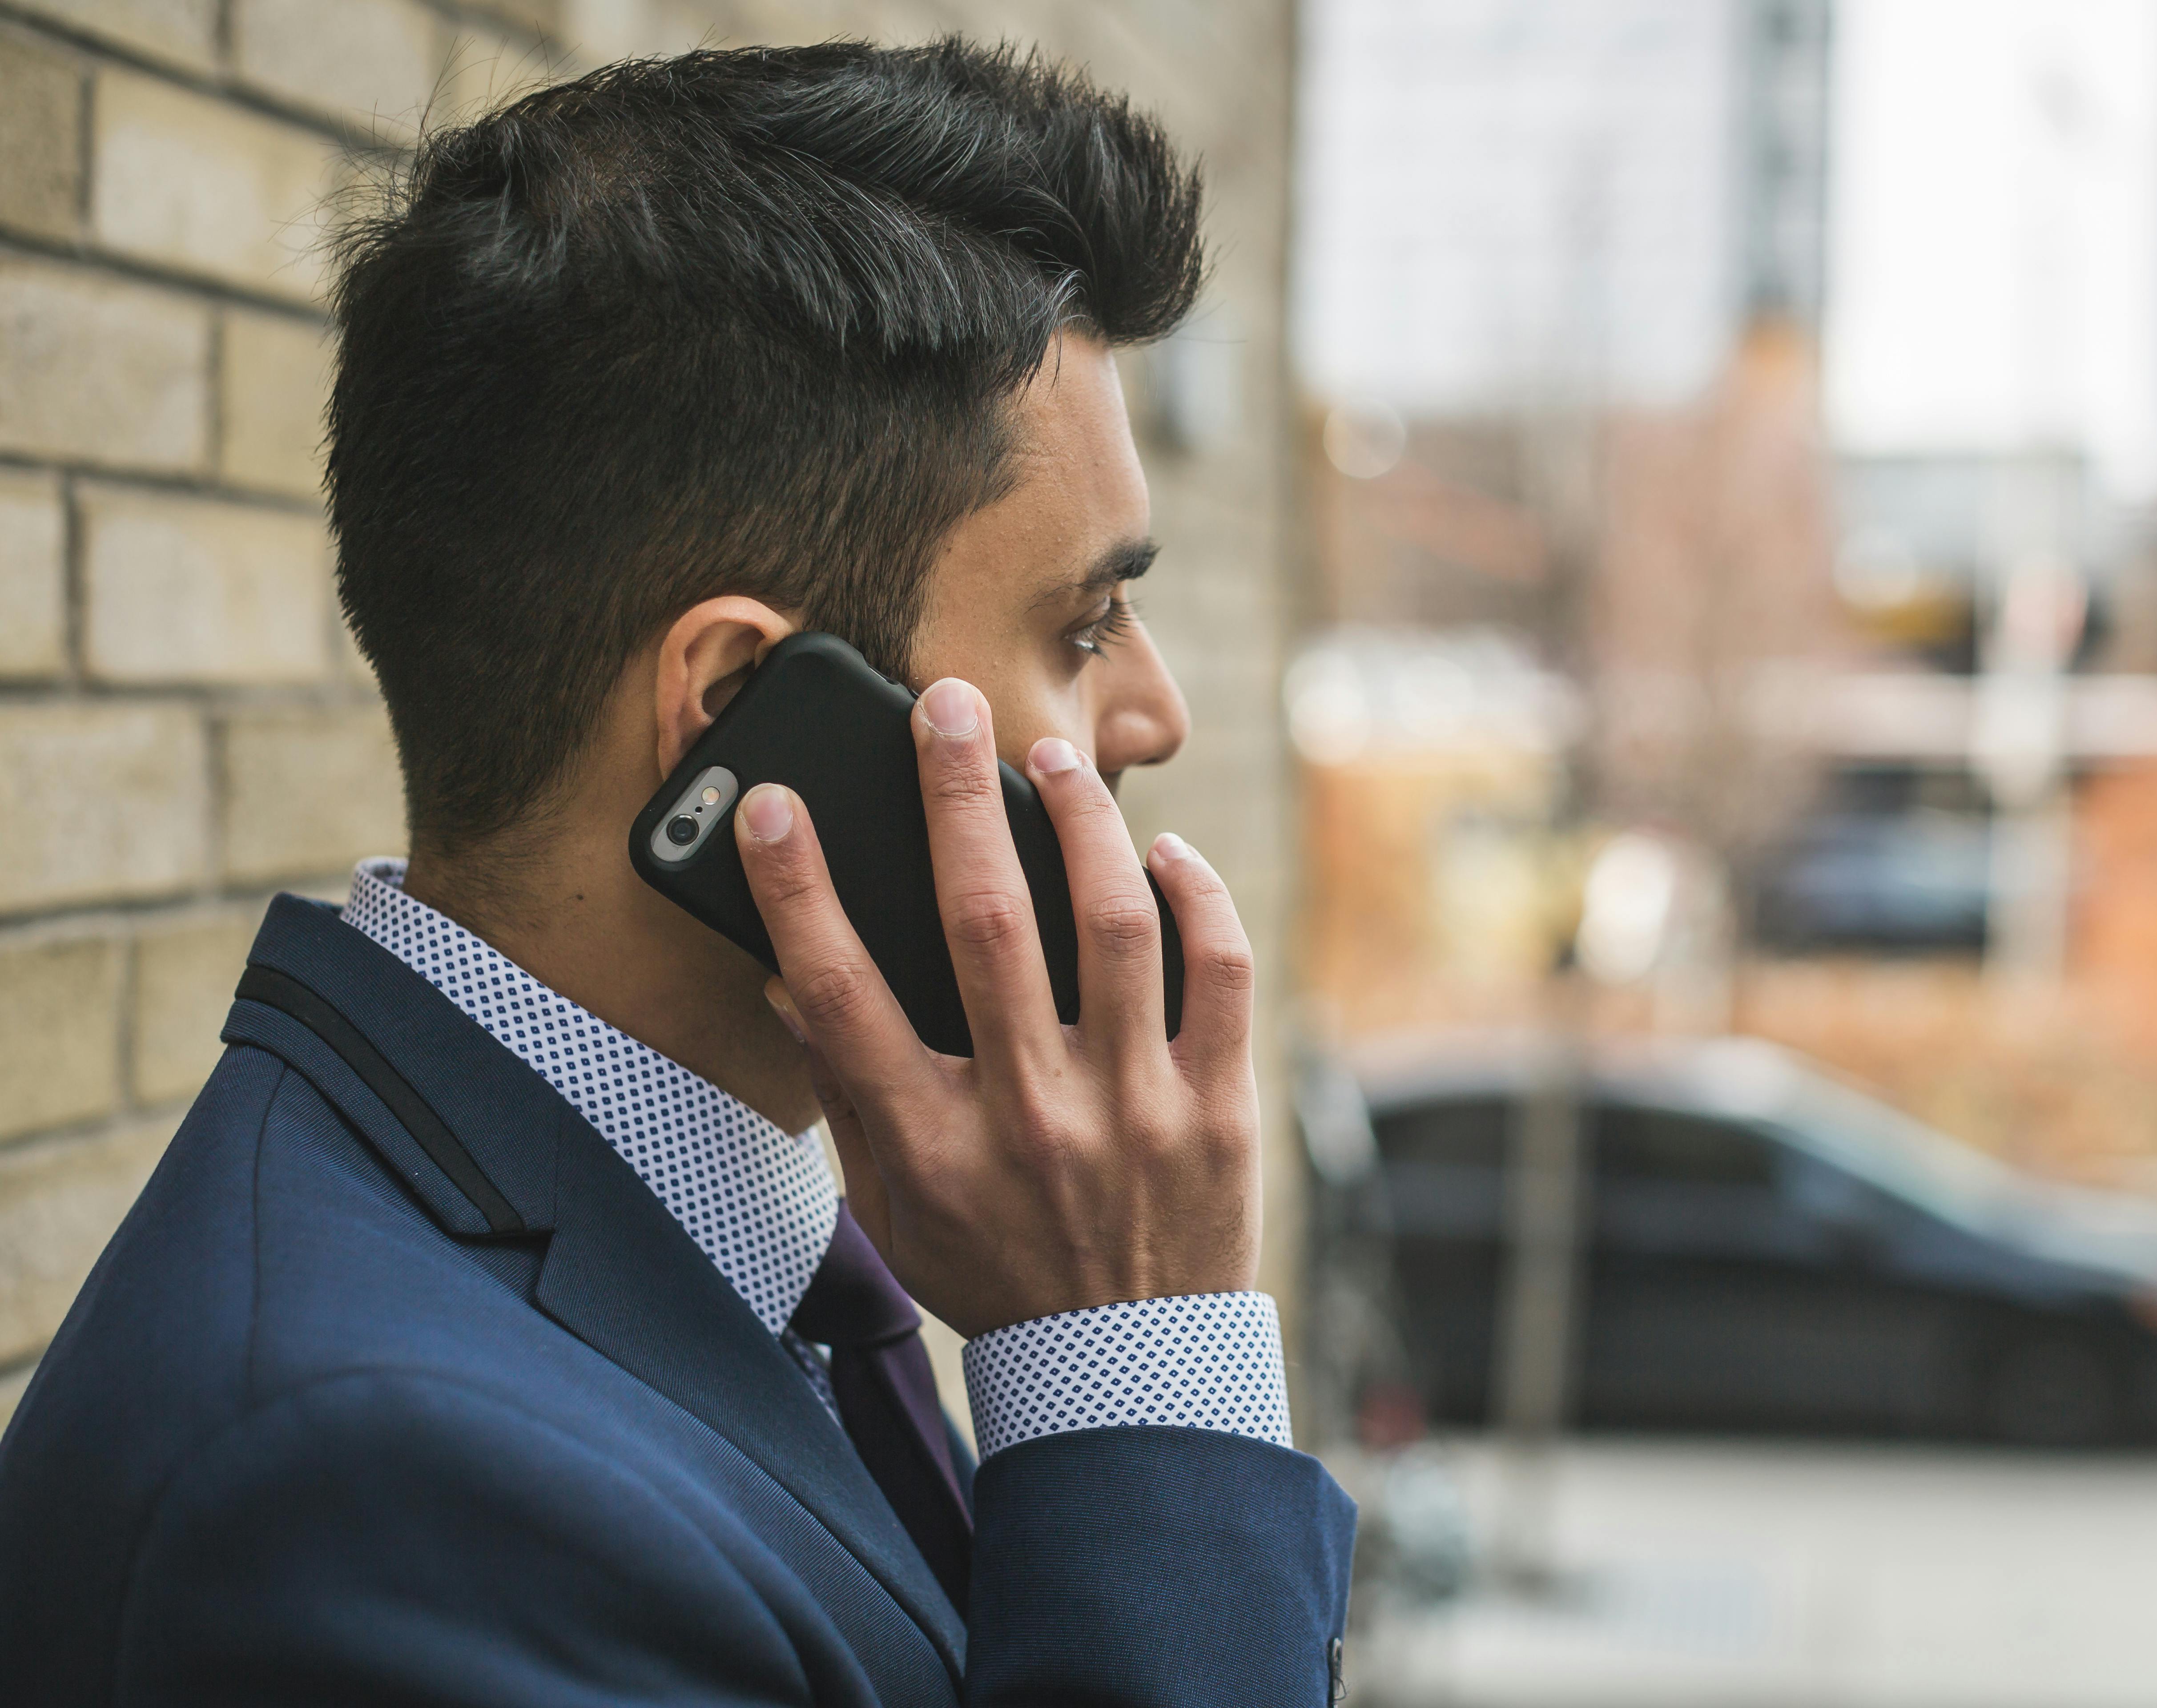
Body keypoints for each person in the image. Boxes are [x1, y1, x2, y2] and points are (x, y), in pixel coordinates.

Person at [0, 40, 1353, 1706]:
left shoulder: (768, 1235)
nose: (1155, 710)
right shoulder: (371, 1495)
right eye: (1081, 626)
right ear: (737, 720)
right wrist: (1136, 1374)